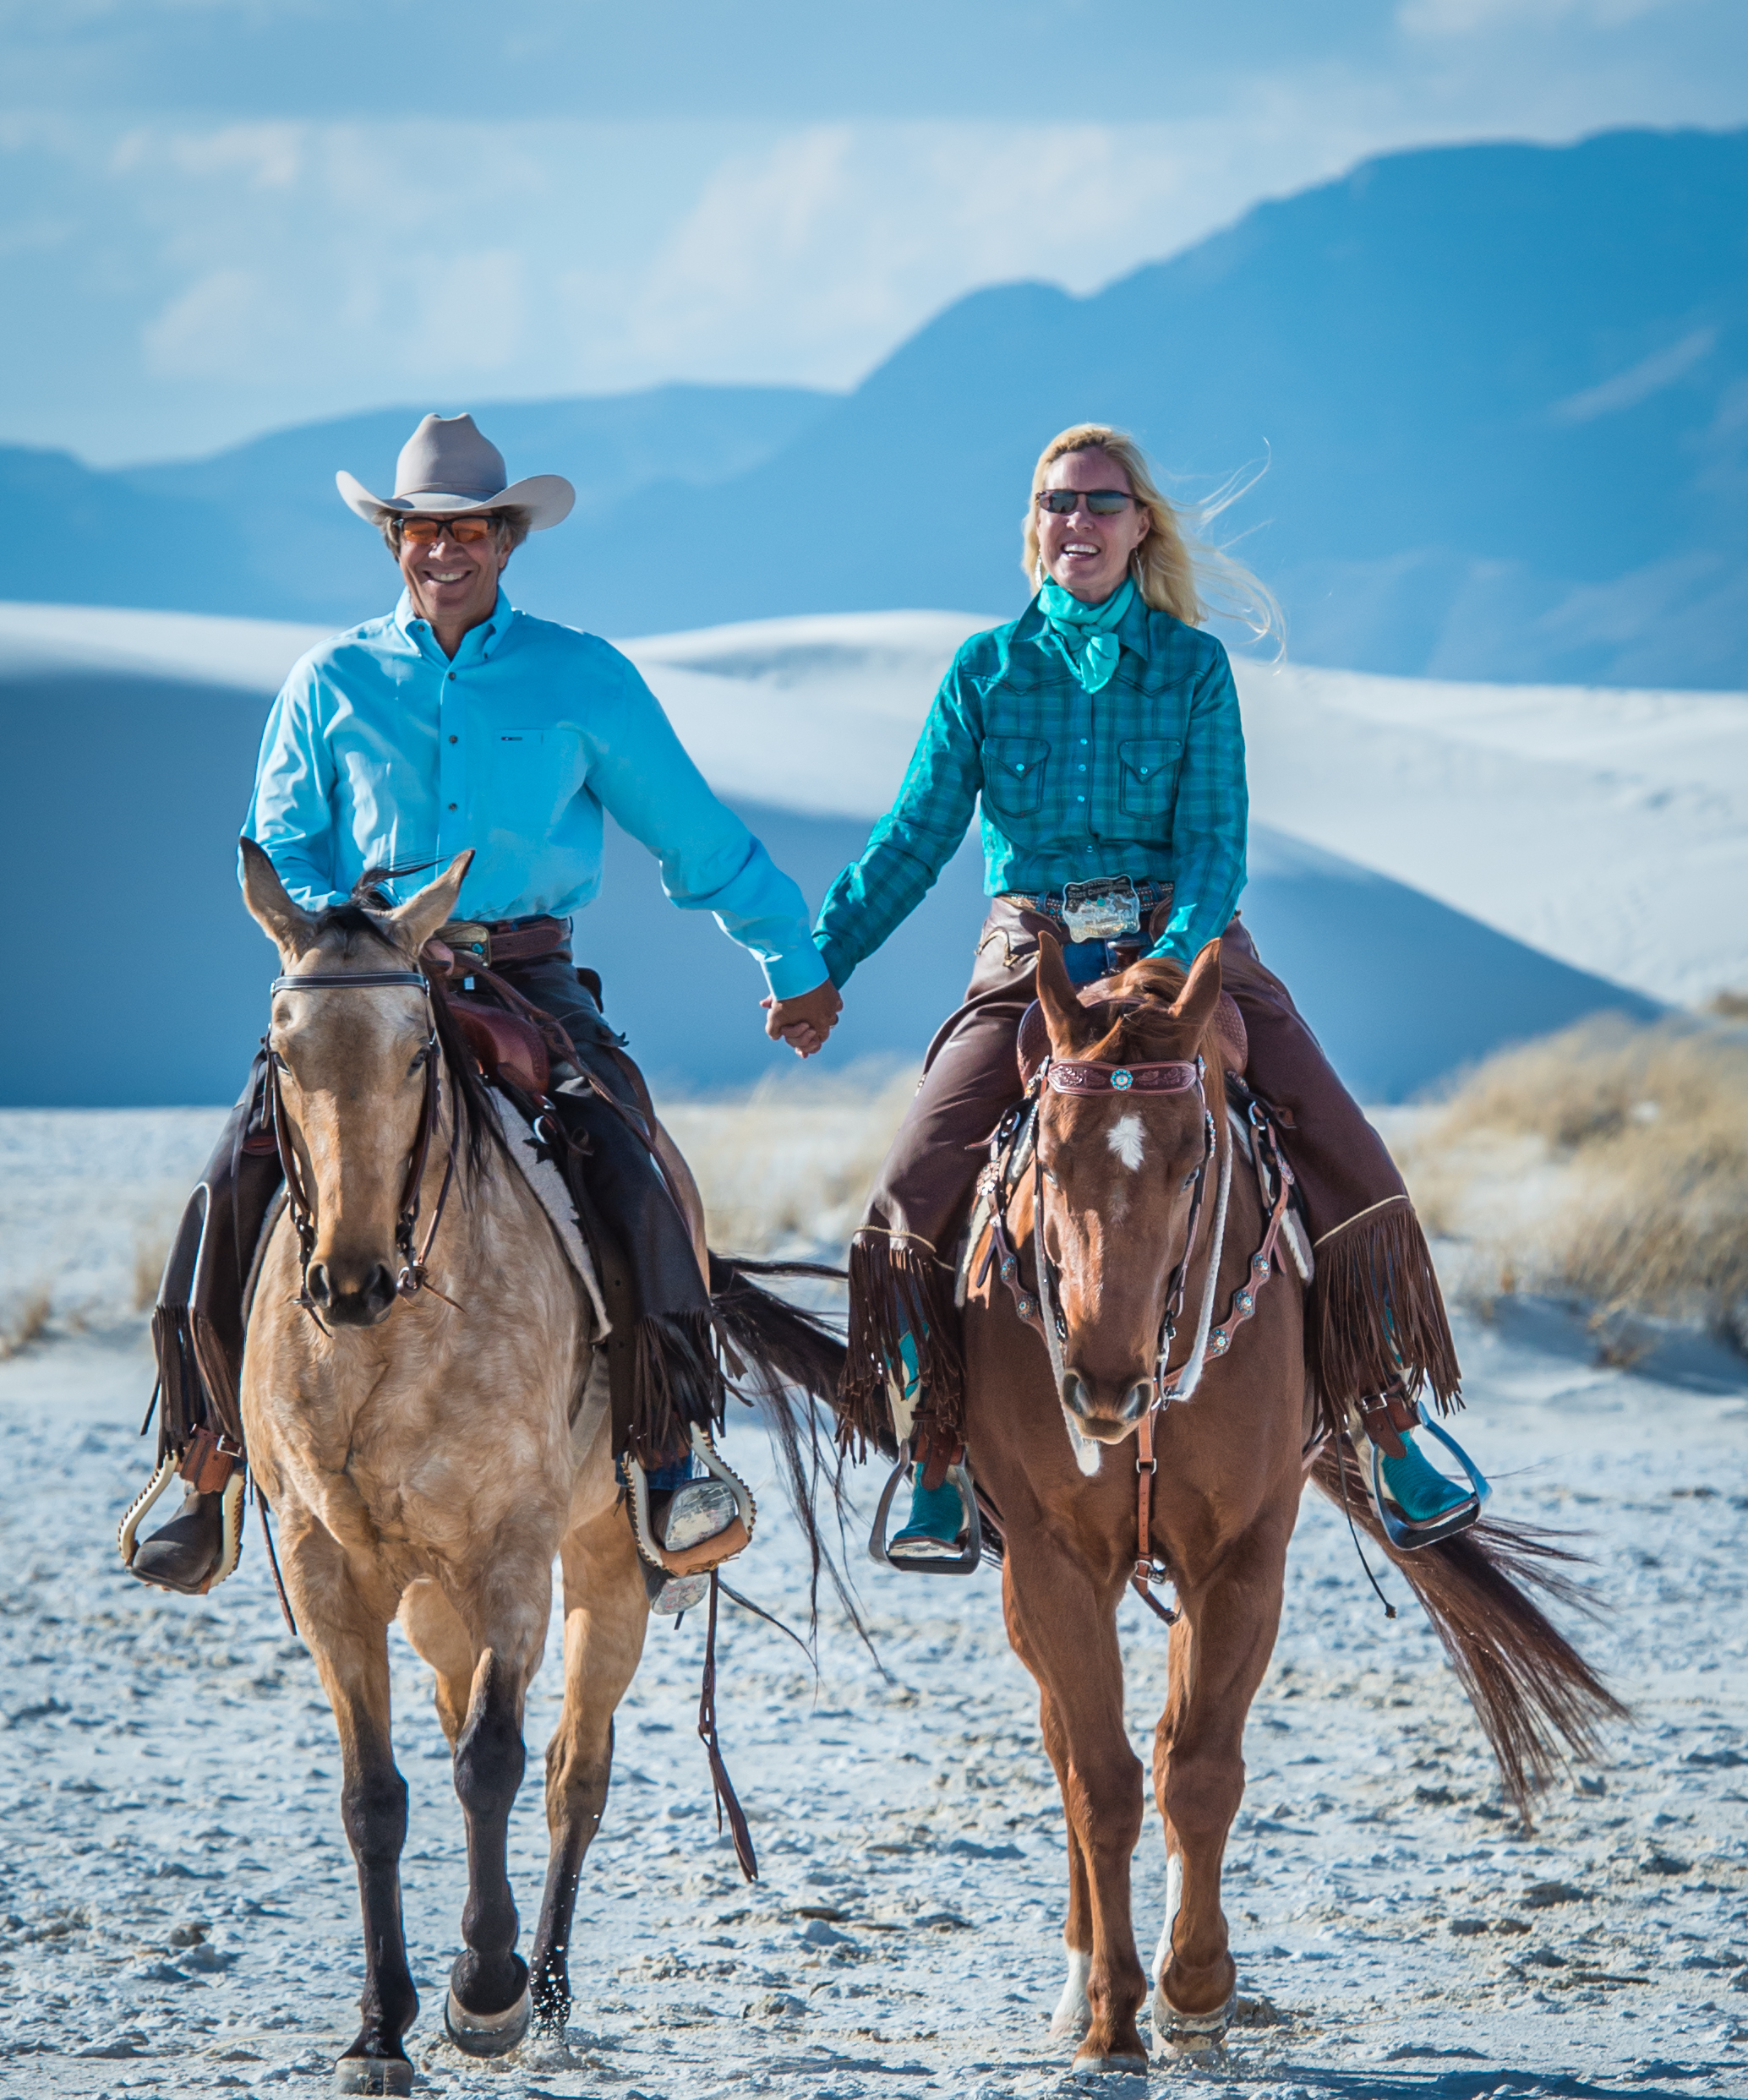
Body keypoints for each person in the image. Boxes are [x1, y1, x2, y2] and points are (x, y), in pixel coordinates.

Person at [131, 412, 842, 1600]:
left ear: (507, 539)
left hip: (524, 972)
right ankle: (202, 1464)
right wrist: (358, 937)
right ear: (393, 540)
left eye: (468, 529)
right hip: (360, 981)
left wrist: (792, 956)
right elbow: (280, 837)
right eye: (420, 529)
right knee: (233, 1174)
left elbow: (693, 832)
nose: (443, 550)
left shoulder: (581, 677)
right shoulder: (332, 680)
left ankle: (667, 1453)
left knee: (632, 1163)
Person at [793, 423, 1483, 1558]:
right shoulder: (986, 670)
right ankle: (938, 1455)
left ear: (1140, 522)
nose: (1080, 522)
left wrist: (1173, 956)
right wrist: (823, 960)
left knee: (1351, 1157)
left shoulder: (1193, 667)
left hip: (1187, 945)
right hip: (1036, 959)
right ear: (1036, 523)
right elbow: (916, 834)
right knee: (911, 1197)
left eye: (1103, 503)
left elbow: (1217, 845)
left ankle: (1383, 1421)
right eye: (1059, 502)